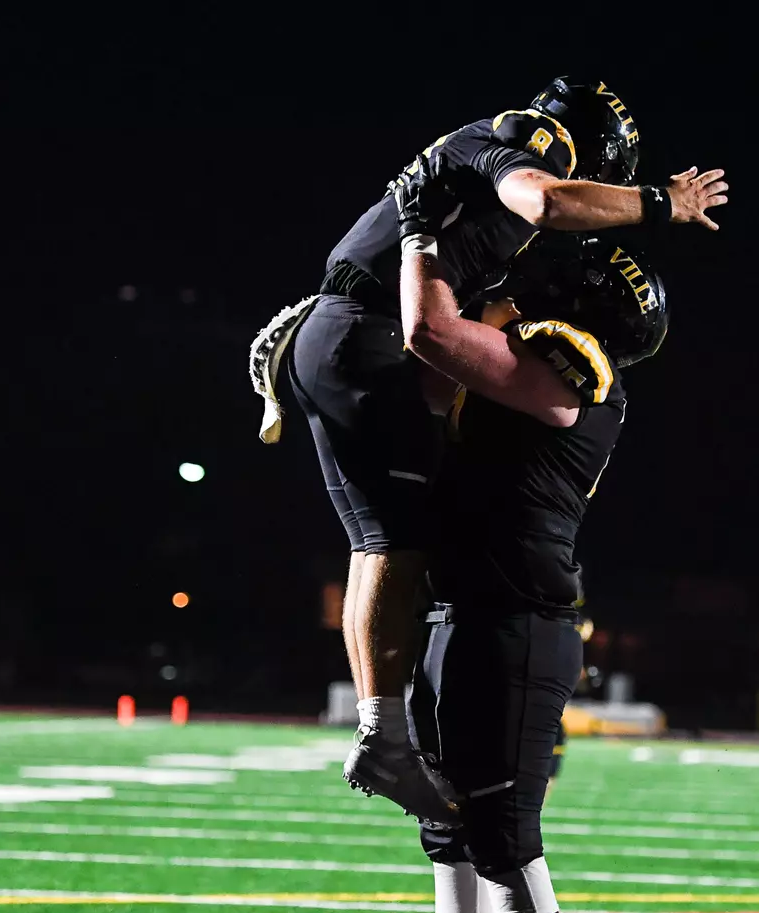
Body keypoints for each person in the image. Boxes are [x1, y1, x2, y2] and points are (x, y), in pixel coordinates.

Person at [254, 76, 726, 825]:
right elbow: (547, 201)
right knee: (395, 543)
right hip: (367, 336)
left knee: (381, 541)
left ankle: (386, 727)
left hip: (353, 333)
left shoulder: (480, 185)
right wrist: (661, 203)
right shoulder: (533, 141)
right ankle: (384, 735)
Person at [374, 232, 669, 913]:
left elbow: (433, 336)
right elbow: (425, 381)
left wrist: (424, 241)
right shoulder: (526, 351)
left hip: (516, 623)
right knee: (451, 838)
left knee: (505, 840)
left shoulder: (576, 358)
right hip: (455, 613)